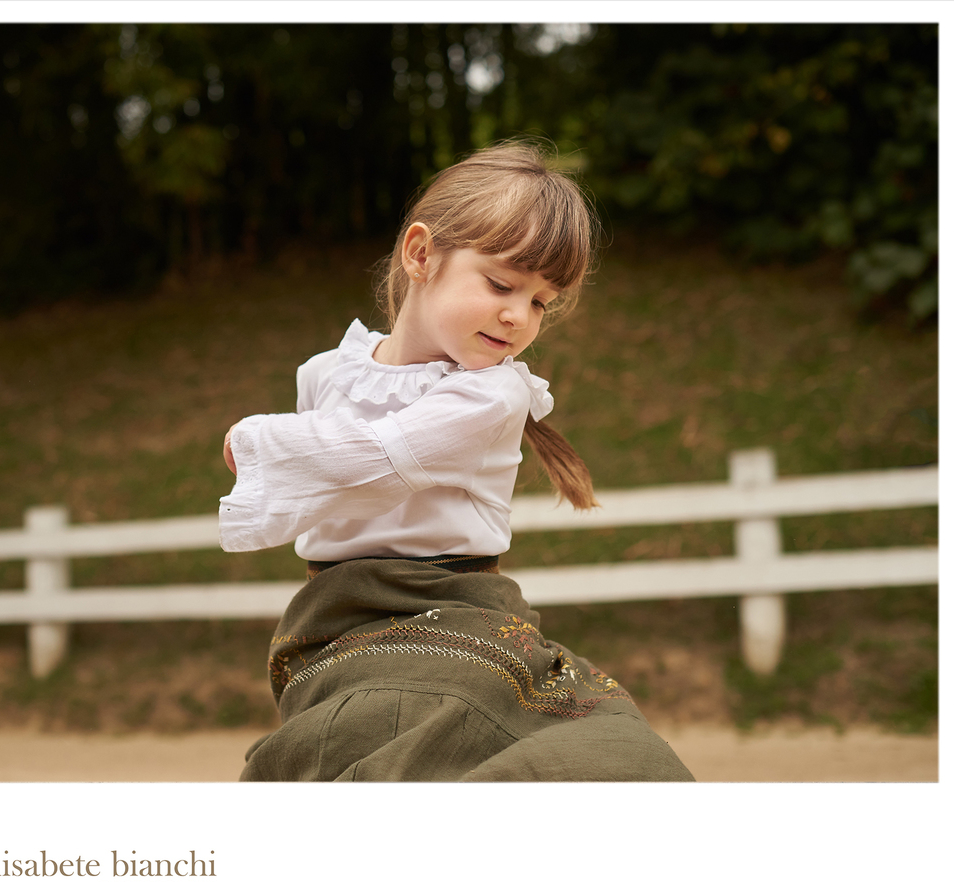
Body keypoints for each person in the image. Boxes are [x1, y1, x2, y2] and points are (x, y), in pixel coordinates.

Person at [219, 141, 693, 782]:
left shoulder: (491, 393)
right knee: (345, 735)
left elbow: (384, 461)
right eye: (502, 284)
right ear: (421, 255)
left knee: (478, 727)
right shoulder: (323, 374)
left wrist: (255, 444)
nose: (517, 315)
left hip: (451, 594)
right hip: (337, 604)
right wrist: (280, 462)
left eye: (540, 301)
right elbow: (323, 493)